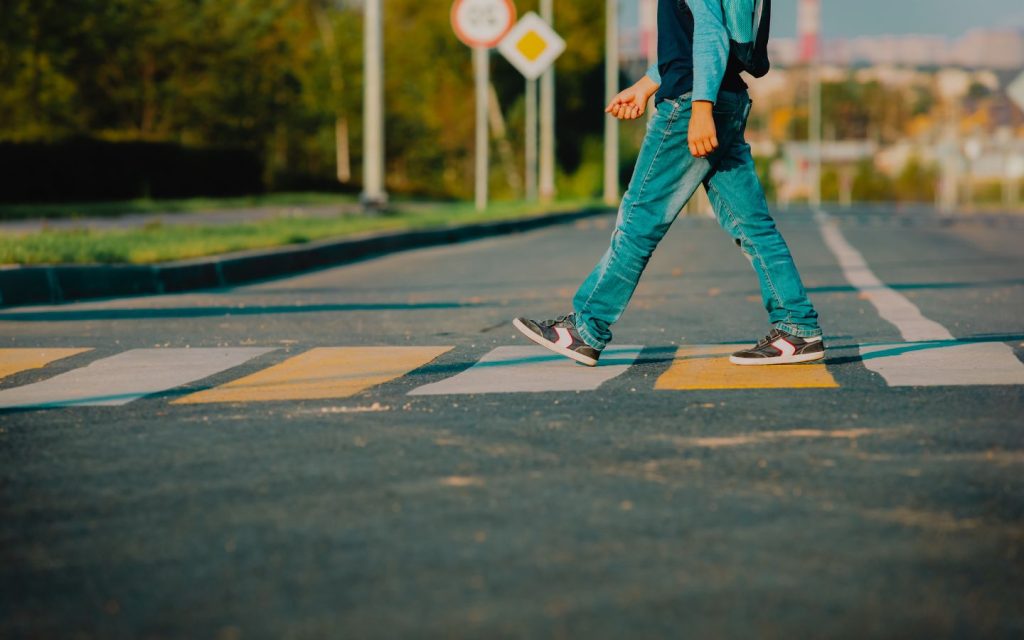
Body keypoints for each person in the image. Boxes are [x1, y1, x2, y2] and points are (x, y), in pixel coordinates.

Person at [513, 0, 824, 367]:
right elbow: (698, 31)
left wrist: (701, 109)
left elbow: (709, 32)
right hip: (726, 97)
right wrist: (647, 84)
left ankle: (586, 327)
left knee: (639, 220)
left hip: (692, 103)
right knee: (753, 226)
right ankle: (799, 328)